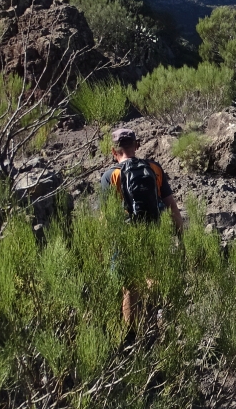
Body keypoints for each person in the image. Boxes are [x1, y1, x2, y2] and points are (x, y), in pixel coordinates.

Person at [100, 127, 184, 325]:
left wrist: (104, 246)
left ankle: (133, 335)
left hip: (126, 237)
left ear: (113, 151)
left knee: (130, 287)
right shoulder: (154, 169)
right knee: (154, 276)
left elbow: (106, 219)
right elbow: (172, 207)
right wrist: (181, 237)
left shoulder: (110, 176)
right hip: (155, 230)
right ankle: (158, 321)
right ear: (137, 146)